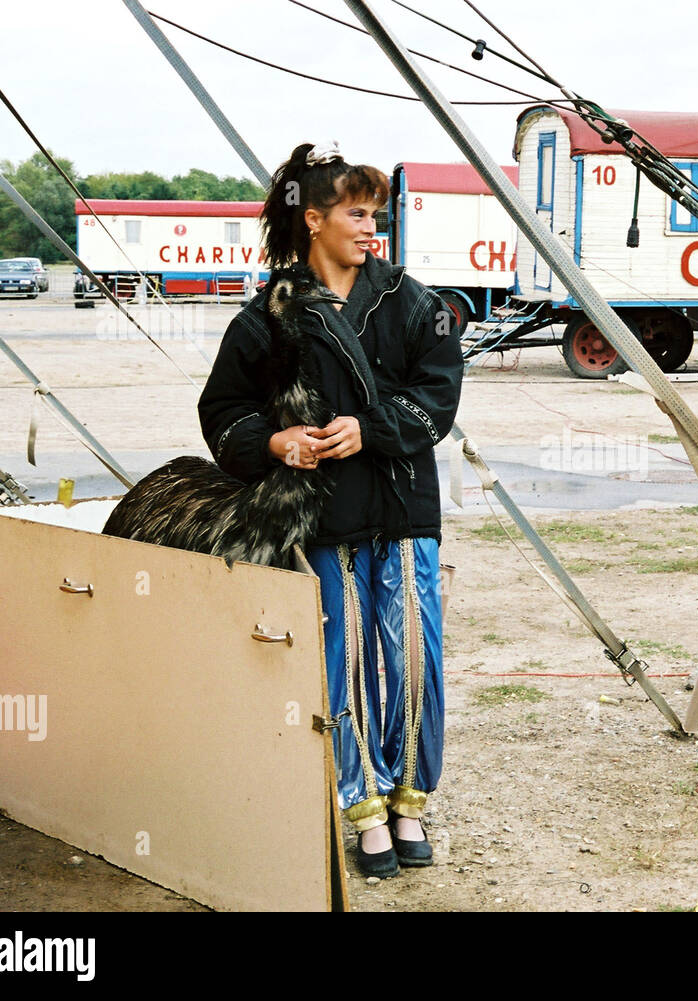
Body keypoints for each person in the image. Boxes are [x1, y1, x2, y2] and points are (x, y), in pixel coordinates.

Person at [198, 141, 464, 877]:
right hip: (323, 518)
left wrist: (371, 426)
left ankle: (410, 798)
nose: (371, 224)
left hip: (405, 506)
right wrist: (276, 439)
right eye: (356, 211)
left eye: (375, 212)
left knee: (413, 658)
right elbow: (222, 410)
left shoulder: (409, 300)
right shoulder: (268, 318)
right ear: (312, 219)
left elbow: (440, 393)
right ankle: (364, 808)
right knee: (341, 663)